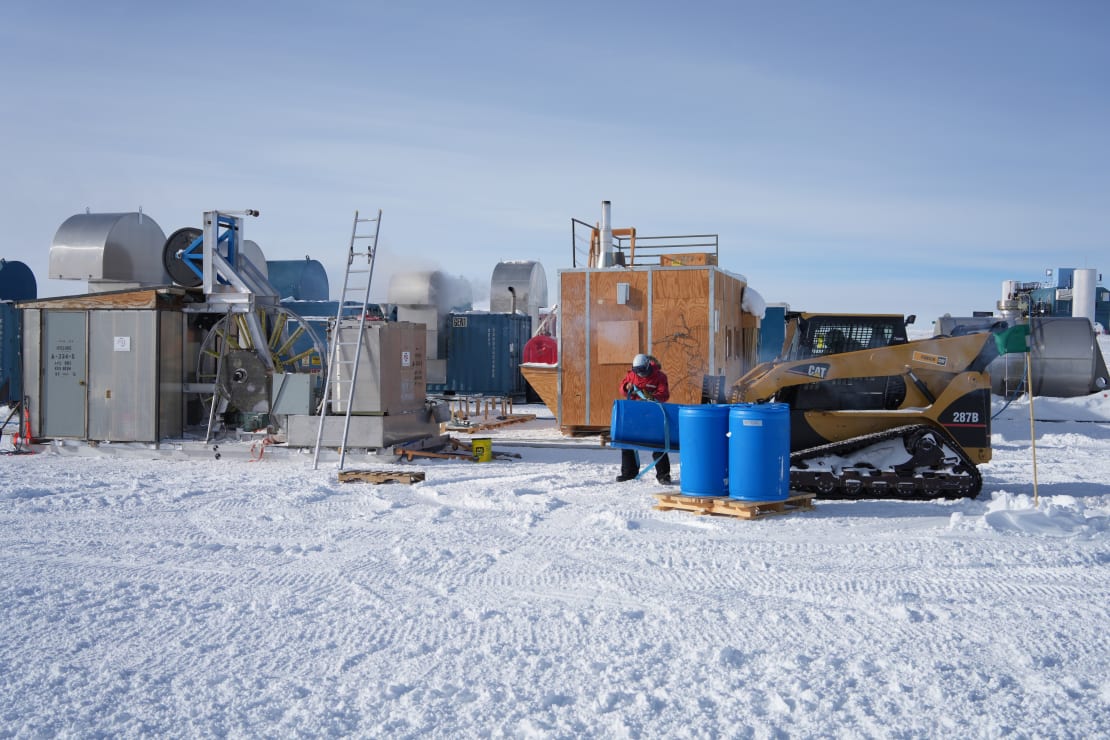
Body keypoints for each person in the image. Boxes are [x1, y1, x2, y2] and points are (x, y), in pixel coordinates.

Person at [616, 353, 673, 484]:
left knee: (658, 443)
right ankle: (628, 472)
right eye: (638, 371)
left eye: (642, 370)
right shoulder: (632, 375)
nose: (640, 374)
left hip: (653, 413)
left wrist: (652, 397)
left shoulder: (659, 376)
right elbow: (622, 388)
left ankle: (663, 475)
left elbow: (664, 394)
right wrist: (627, 387)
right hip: (635, 413)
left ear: (647, 366)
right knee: (627, 442)